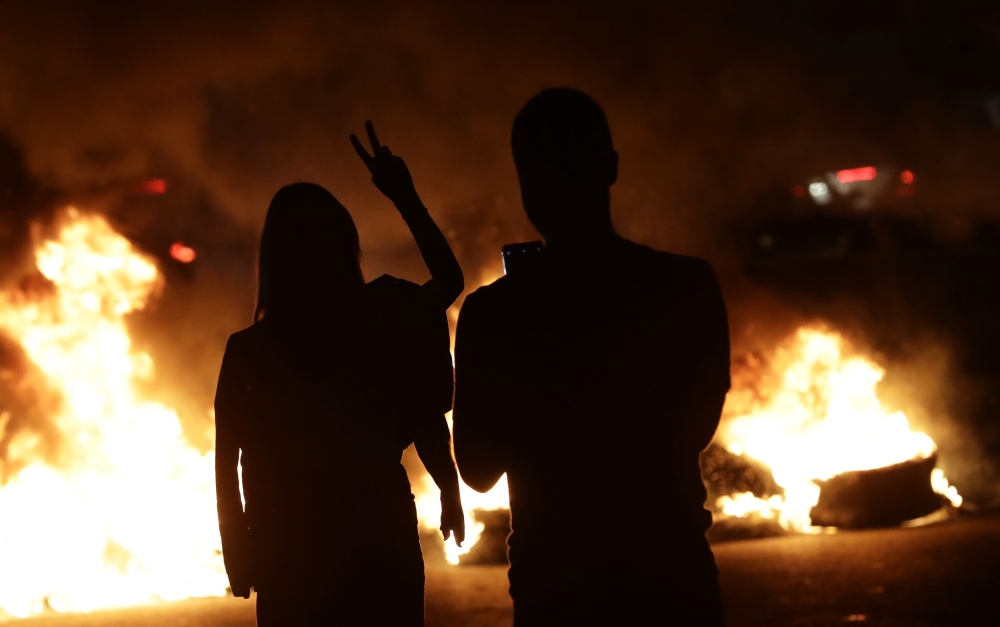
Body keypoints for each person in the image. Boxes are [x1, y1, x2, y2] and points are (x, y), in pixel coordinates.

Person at [453, 89, 731, 626]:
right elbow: (694, 429)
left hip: (557, 587)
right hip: (670, 577)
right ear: (610, 167)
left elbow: (479, 468)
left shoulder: (494, 314)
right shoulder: (686, 286)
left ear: (525, 186)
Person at [214, 122, 465, 626]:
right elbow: (448, 286)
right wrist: (403, 196)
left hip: (296, 553)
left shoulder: (252, 349)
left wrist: (239, 548)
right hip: (373, 539)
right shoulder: (382, 315)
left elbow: (229, 460)